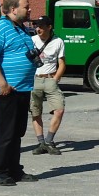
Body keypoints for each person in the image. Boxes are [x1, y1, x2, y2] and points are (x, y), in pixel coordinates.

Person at [0, 0, 39, 187]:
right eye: (26, 6)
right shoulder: (1, 27)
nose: (30, 9)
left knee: (17, 132)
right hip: (7, 90)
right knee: (5, 133)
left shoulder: (21, 28)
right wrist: (2, 83)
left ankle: (14, 169)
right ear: (13, 9)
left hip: (22, 88)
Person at [29, 17, 67, 156]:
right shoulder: (32, 40)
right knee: (35, 111)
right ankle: (41, 143)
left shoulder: (58, 42)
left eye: (41, 26)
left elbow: (62, 63)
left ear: (49, 27)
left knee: (59, 109)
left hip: (50, 79)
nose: (38, 29)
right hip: (35, 79)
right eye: (36, 26)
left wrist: (55, 79)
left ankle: (49, 141)